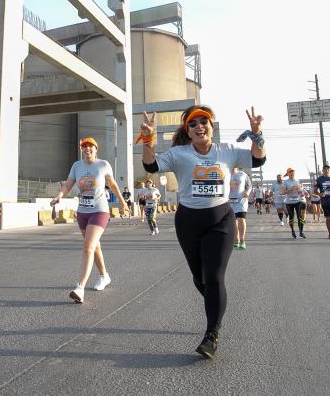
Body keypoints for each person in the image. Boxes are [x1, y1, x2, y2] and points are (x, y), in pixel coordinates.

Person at [141, 105, 266, 358]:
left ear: (212, 127)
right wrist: (148, 138)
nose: (200, 126)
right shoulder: (179, 154)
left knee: (215, 276)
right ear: (187, 131)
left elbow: (258, 158)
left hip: (220, 220)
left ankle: (212, 334)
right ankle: (215, 304)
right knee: (201, 279)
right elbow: (151, 166)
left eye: (204, 122)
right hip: (188, 222)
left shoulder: (227, 151)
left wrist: (256, 133)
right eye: (194, 124)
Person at [51, 136, 128, 303]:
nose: (87, 149)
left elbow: (113, 185)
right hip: (83, 212)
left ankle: (80, 288)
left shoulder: (103, 165)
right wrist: (59, 196)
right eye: (84, 147)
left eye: (90, 147)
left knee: (87, 247)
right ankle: (104, 276)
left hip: (100, 211)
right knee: (95, 247)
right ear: (81, 150)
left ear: (95, 149)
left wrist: (122, 202)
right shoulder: (76, 166)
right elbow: (68, 184)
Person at [229, 167, 252, 249]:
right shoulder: (225, 173)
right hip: (229, 201)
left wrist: (247, 192)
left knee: (241, 219)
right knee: (233, 221)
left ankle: (242, 240)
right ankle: (236, 240)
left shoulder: (243, 174)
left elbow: (249, 186)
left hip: (241, 200)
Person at [280, 168, 306, 239]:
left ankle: (301, 232)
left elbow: (301, 192)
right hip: (289, 202)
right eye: (290, 172)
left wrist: (301, 192)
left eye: (293, 172)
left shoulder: (297, 181)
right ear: (287, 174)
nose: (291, 173)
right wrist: (290, 189)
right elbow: (282, 192)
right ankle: (293, 231)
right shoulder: (285, 182)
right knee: (291, 217)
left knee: (300, 216)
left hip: (298, 201)